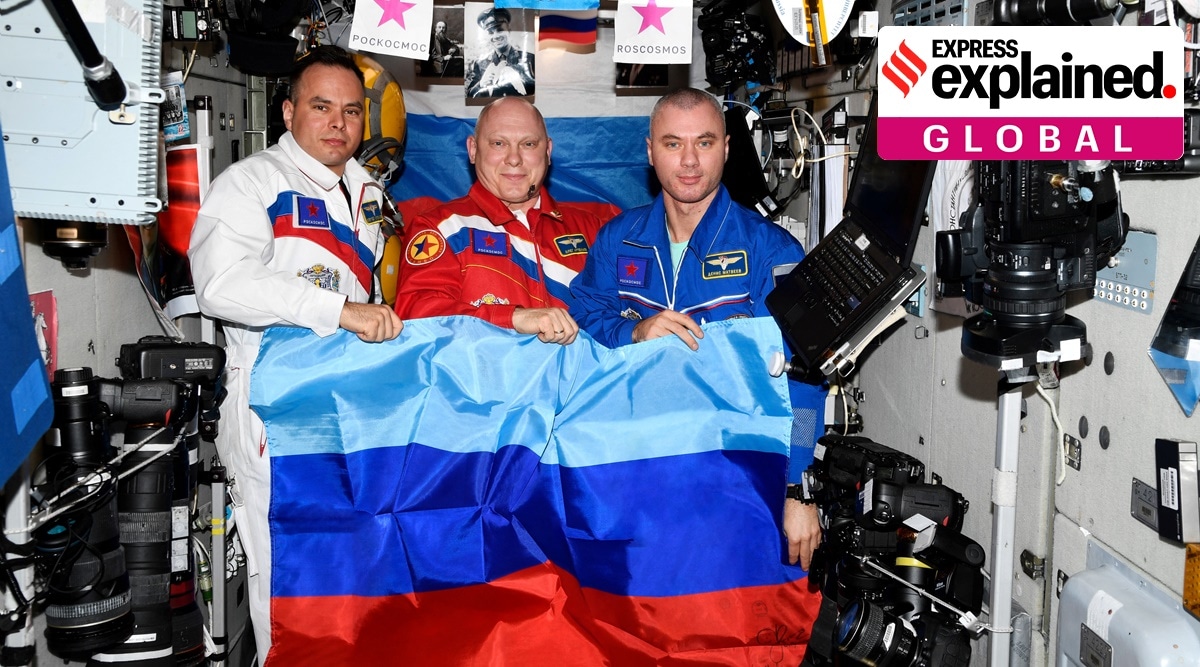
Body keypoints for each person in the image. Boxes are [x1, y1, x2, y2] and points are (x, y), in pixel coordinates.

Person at [188, 45, 403, 663]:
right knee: (287, 584)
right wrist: (335, 311)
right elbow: (220, 285)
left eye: (352, 111)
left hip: (345, 411)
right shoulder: (252, 184)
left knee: (348, 579)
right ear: (287, 112)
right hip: (272, 413)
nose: (339, 123)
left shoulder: (366, 191)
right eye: (321, 106)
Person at [569, 88, 825, 569]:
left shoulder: (773, 251)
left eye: (704, 143)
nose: (689, 161)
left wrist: (797, 486)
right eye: (672, 143)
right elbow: (583, 319)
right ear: (650, 151)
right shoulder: (617, 239)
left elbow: (806, 378)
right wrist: (635, 333)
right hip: (632, 472)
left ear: (727, 148)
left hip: (734, 481)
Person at [393, 97, 602, 344]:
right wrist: (513, 318)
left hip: (581, 381)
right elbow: (418, 318)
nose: (514, 158)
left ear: (547, 151)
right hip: (480, 381)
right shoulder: (441, 228)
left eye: (528, 144)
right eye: (498, 143)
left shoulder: (594, 230)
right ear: (472, 149)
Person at [465, 8, 535, 98]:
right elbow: (470, 96)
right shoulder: (480, 63)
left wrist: (518, 76)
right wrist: (481, 84)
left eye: (500, 30)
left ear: (509, 30)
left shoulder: (529, 58)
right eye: (490, 33)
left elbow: (537, 93)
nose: (496, 36)